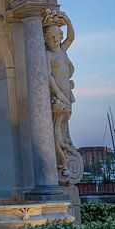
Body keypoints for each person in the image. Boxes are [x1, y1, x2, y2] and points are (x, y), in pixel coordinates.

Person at [44, 10, 76, 181]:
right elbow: (48, 76)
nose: (56, 39)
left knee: (60, 131)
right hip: (58, 97)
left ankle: (62, 163)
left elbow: (71, 38)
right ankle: (62, 165)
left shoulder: (62, 50)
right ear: (45, 39)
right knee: (55, 132)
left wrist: (68, 21)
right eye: (51, 36)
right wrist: (57, 93)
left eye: (57, 35)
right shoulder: (48, 55)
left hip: (66, 95)